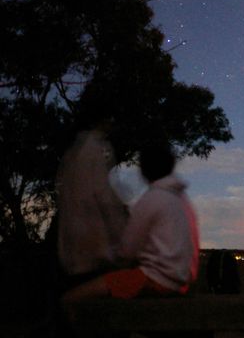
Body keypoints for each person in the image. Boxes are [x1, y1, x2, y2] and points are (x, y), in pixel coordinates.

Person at [63, 141, 200, 301]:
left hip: (153, 279)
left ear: (144, 169)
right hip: (178, 281)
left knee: (72, 298)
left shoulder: (151, 199)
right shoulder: (180, 200)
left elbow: (127, 251)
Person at [56, 114, 128, 287]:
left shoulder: (76, 148)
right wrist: (118, 224)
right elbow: (101, 189)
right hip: (91, 227)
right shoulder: (98, 148)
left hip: (76, 225)